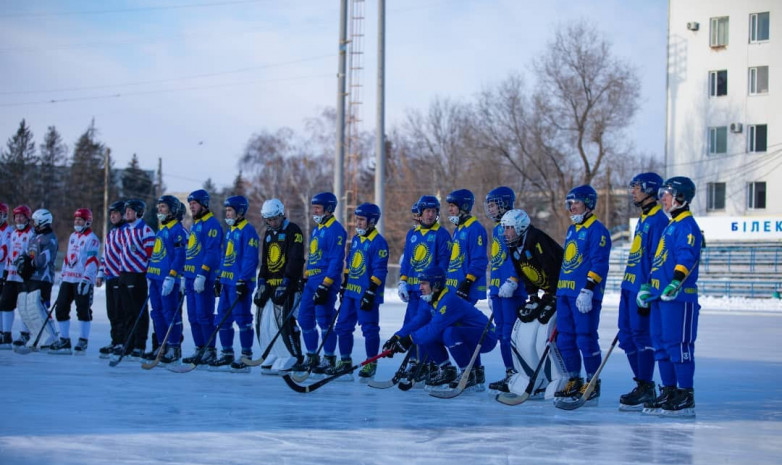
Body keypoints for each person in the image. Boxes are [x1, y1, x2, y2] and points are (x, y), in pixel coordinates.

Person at [637, 176, 702, 418]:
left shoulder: (687, 225)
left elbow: (687, 257)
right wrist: (648, 287)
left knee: (679, 345)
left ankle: (685, 394)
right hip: (659, 298)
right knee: (661, 347)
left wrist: (676, 282)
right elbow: (660, 261)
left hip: (679, 298)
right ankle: (669, 390)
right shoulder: (670, 225)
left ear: (680, 197)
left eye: (667, 193)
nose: (663, 198)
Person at [384, 265, 498, 391]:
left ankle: (468, 373)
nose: (420, 287)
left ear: (436, 285)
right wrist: (397, 337)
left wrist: (409, 340)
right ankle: (447, 371)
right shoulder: (429, 300)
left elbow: (434, 328)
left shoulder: (449, 300)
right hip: (467, 335)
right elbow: (417, 322)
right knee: (427, 336)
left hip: (486, 337)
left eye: (424, 284)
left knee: (449, 333)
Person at [554, 184, 612, 406]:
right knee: (565, 339)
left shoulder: (597, 230)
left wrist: (588, 288)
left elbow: (600, 263)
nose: (572, 208)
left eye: (575, 203)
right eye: (570, 204)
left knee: (585, 338)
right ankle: (573, 379)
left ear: (588, 204)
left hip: (583, 296)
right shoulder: (572, 230)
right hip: (565, 293)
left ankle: (592, 382)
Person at [500, 209, 565, 397]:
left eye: (509, 228)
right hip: (546, 292)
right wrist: (533, 296)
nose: (506, 233)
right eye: (504, 228)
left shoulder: (537, 239)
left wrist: (552, 294)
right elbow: (524, 272)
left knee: (544, 336)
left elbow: (552, 267)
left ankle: (558, 376)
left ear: (520, 227)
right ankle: (530, 376)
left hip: (560, 289)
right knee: (525, 329)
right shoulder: (514, 244)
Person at [616, 173, 668, 410]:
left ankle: (647, 385)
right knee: (626, 337)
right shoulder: (643, 219)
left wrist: (647, 288)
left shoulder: (659, 221)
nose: (633, 191)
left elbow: (658, 259)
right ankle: (641, 383)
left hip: (641, 289)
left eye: (636, 187)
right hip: (628, 286)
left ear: (649, 189)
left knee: (640, 336)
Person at [395, 195, 451, 380]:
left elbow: (443, 264)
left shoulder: (441, 234)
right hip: (413, 290)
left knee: (425, 326)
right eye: (427, 211)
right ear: (419, 213)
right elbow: (407, 262)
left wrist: (435, 287)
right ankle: (413, 362)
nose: (430, 214)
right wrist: (403, 281)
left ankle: (428, 364)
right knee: (409, 325)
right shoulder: (413, 234)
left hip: (429, 292)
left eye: (434, 211)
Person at [290, 192, 347, 375]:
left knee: (324, 319)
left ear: (328, 209)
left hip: (325, 281)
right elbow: (314, 256)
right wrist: (305, 275)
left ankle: (329, 358)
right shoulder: (317, 229)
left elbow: (336, 260)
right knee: (304, 318)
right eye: (313, 207)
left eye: (318, 208)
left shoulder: (336, 230)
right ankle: (312, 356)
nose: (314, 211)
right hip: (312, 281)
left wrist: (326, 284)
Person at [331, 203, 389, 381]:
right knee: (342, 327)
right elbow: (349, 263)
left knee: (369, 329)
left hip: (366, 294)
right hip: (351, 293)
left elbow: (380, 270)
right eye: (357, 219)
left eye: (361, 220)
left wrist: (371, 291)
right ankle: (345, 361)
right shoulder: (356, 239)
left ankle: (371, 362)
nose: (358, 223)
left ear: (372, 221)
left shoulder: (378, 242)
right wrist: (344, 283)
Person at [253, 198, 305, 374]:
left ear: (282, 215)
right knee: (268, 323)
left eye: (274, 219)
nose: (272, 222)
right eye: (268, 220)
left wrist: (288, 281)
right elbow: (266, 261)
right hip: (271, 285)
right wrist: (261, 281)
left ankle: (293, 355)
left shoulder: (293, 230)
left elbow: (296, 259)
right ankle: (276, 352)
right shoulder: (268, 234)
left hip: (288, 285)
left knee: (285, 321)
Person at [484, 187, 528, 392]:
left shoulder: (515, 224)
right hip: (498, 290)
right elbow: (496, 261)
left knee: (510, 334)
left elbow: (516, 256)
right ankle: (510, 373)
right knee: (501, 333)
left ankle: (520, 373)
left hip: (511, 291)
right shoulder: (496, 229)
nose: (491, 209)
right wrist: (492, 288)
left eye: (493, 205)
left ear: (503, 204)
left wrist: (512, 279)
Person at [210, 195, 260, 372]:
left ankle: (246, 356)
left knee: (242, 318)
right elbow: (225, 256)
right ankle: (227, 353)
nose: (227, 213)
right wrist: (219, 276)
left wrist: (243, 280)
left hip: (240, 283)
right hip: (227, 281)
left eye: (230, 210)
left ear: (240, 212)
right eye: (227, 210)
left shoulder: (248, 231)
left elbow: (250, 259)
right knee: (222, 318)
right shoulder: (230, 230)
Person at [50, 209, 101, 355]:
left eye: (80, 220)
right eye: (76, 219)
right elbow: (68, 257)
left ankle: (83, 340)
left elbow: (92, 261)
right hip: (68, 279)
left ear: (88, 221)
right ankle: (64, 340)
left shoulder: (92, 239)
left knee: (83, 310)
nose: (77, 222)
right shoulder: (73, 236)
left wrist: (86, 278)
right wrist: (63, 273)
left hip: (82, 280)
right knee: (61, 309)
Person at [182, 189, 223, 365]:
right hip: (191, 276)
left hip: (203, 278)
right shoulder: (195, 224)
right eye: (190, 204)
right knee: (192, 316)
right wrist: (185, 275)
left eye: (195, 204)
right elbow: (191, 252)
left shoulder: (211, 224)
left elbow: (213, 253)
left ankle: (210, 350)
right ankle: (200, 348)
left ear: (204, 204)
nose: (191, 207)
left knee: (204, 315)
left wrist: (203, 273)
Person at [145, 195, 187, 363]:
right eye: (159, 207)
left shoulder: (177, 230)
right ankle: (161, 346)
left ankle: (173, 347)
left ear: (172, 210)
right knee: (157, 313)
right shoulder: (162, 229)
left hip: (167, 279)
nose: (159, 210)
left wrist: (172, 276)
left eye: (163, 207)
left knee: (170, 313)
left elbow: (180, 255)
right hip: (155, 278)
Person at [115, 199, 155, 359]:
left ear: (139, 212)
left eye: (130, 210)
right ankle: (128, 343)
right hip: (123, 274)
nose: (127, 213)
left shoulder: (145, 231)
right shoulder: (125, 230)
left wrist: (151, 275)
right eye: (126, 210)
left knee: (139, 311)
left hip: (137, 275)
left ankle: (139, 344)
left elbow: (151, 256)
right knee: (126, 312)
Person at [18, 209, 60, 351]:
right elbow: (27, 253)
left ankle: (51, 335)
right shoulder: (34, 237)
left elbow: (43, 259)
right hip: (31, 277)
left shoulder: (50, 238)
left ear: (42, 221)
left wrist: (30, 264)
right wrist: (22, 261)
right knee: (28, 308)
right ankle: (36, 334)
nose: (33, 223)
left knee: (38, 307)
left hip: (43, 278)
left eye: (35, 221)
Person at [445, 189, 488, 305]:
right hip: (453, 287)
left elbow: (479, 260)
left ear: (463, 206)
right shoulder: (459, 228)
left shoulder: (475, 229)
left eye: (452, 206)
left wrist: (468, 282)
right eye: (449, 206)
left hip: (465, 289)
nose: (450, 209)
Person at [0, 205, 34, 349]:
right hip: (11, 276)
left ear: (27, 218)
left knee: (23, 307)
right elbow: (9, 254)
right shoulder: (14, 233)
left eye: (21, 216)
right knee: (6, 304)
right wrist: (7, 271)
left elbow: (32, 255)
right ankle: (6, 335)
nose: (19, 219)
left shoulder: (31, 234)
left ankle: (24, 334)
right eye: (17, 216)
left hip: (24, 277)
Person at [96, 201, 127, 358]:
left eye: (115, 213)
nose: (112, 216)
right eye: (111, 214)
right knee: (112, 312)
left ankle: (122, 342)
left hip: (121, 276)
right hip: (110, 277)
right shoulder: (111, 233)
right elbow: (105, 255)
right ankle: (115, 341)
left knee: (120, 311)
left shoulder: (125, 232)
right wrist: (100, 273)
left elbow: (127, 255)